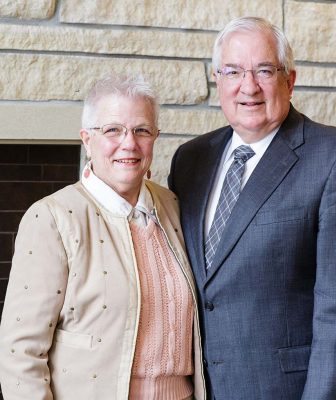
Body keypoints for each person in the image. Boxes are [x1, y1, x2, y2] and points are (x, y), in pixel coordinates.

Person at [168, 16, 336, 400]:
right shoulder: (190, 160)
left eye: (263, 70)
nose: (248, 87)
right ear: (217, 79)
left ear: (289, 81)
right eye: (233, 71)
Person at [0, 75, 206, 400]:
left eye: (142, 130)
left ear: (155, 137)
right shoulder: (52, 218)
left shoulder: (174, 208)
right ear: (87, 139)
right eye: (113, 130)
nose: (129, 143)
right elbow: (20, 352)